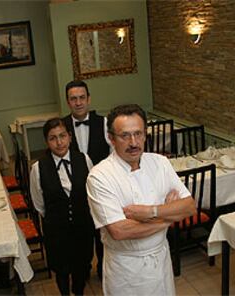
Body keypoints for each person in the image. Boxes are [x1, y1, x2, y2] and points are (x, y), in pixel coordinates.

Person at [86, 104, 196, 295]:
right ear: (111, 138)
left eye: (138, 134)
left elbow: (190, 207)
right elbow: (119, 231)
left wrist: (150, 212)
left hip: (160, 260)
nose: (133, 142)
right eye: (124, 136)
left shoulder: (159, 163)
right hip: (126, 269)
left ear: (146, 134)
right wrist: (170, 216)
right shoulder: (100, 176)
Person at [30, 118, 95, 296]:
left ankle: (79, 292)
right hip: (57, 230)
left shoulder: (84, 159)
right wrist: (57, 215)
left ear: (70, 137)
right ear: (46, 141)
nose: (59, 142)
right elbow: (39, 204)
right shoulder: (38, 168)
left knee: (81, 265)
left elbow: (91, 192)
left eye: (62, 136)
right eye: (53, 138)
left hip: (82, 226)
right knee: (61, 269)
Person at [62, 80, 110, 278]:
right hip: (74, 192)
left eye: (82, 97)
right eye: (73, 99)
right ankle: (82, 269)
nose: (78, 102)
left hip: (101, 188)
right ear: (68, 102)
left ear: (88, 99)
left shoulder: (104, 123)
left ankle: (103, 270)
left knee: (103, 232)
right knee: (80, 234)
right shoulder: (61, 127)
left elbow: (113, 155)